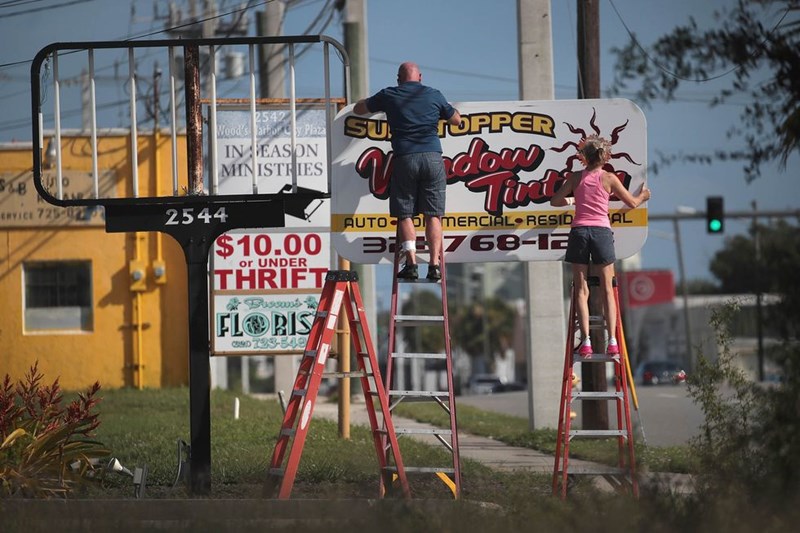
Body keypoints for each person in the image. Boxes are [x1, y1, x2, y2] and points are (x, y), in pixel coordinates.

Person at [353, 61, 461, 281]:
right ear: (420, 77)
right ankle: (434, 265)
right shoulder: (434, 95)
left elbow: (359, 109)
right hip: (432, 158)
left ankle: (411, 263)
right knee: (433, 215)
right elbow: (456, 120)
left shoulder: (389, 94)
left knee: (405, 213)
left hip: (405, 158)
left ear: (398, 79)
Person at [550, 135, 651, 356]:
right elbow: (632, 203)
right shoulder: (609, 178)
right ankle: (612, 341)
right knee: (607, 288)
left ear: (584, 157)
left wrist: (572, 200)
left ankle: (585, 341)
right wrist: (644, 195)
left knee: (581, 289)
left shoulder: (576, 178)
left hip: (579, 232)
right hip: (601, 232)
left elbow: (555, 200)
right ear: (605, 156)